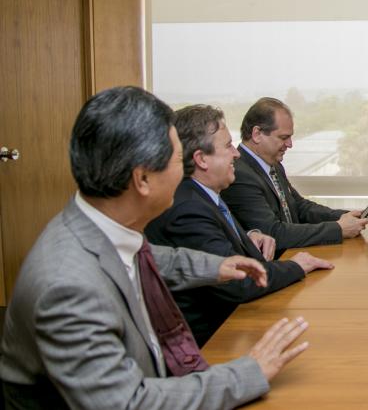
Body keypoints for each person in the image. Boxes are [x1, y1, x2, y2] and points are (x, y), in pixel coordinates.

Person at [0, 86, 312, 409]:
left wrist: (217, 266)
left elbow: (149, 257)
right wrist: (249, 372)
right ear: (143, 179)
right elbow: (131, 404)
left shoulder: (97, 227)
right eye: (178, 160)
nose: (186, 172)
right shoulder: (68, 288)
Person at [146, 105, 334, 346]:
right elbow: (238, 283)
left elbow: (217, 246)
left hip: (237, 325)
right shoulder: (188, 209)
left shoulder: (202, 195)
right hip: (215, 344)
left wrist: (248, 236)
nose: (236, 154)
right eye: (227, 146)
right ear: (201, 159)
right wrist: (296, 266)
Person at [221, 98, 368, 251]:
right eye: (284, 138)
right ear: (257, 134)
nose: (290, 144)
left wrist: (343, 216)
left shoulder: (273, 164)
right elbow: (272, 233)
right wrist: (338, 229)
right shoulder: (238, 174)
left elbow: (298, 207)